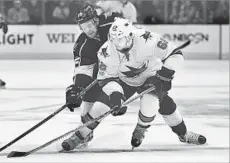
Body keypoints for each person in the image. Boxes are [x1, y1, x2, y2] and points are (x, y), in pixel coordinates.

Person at [63, 7, 206, 151]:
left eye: (121, 39)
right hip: (124, 79)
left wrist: (166, 72)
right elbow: (103, 77)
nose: (117, 44)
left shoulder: (146, 38)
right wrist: (110, 93)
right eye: (114, 40)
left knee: (156, 102)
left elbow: (175, 54)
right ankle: (81, 135)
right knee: (102, 105)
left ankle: (175, 132)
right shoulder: (106, 50)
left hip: (151, 74)